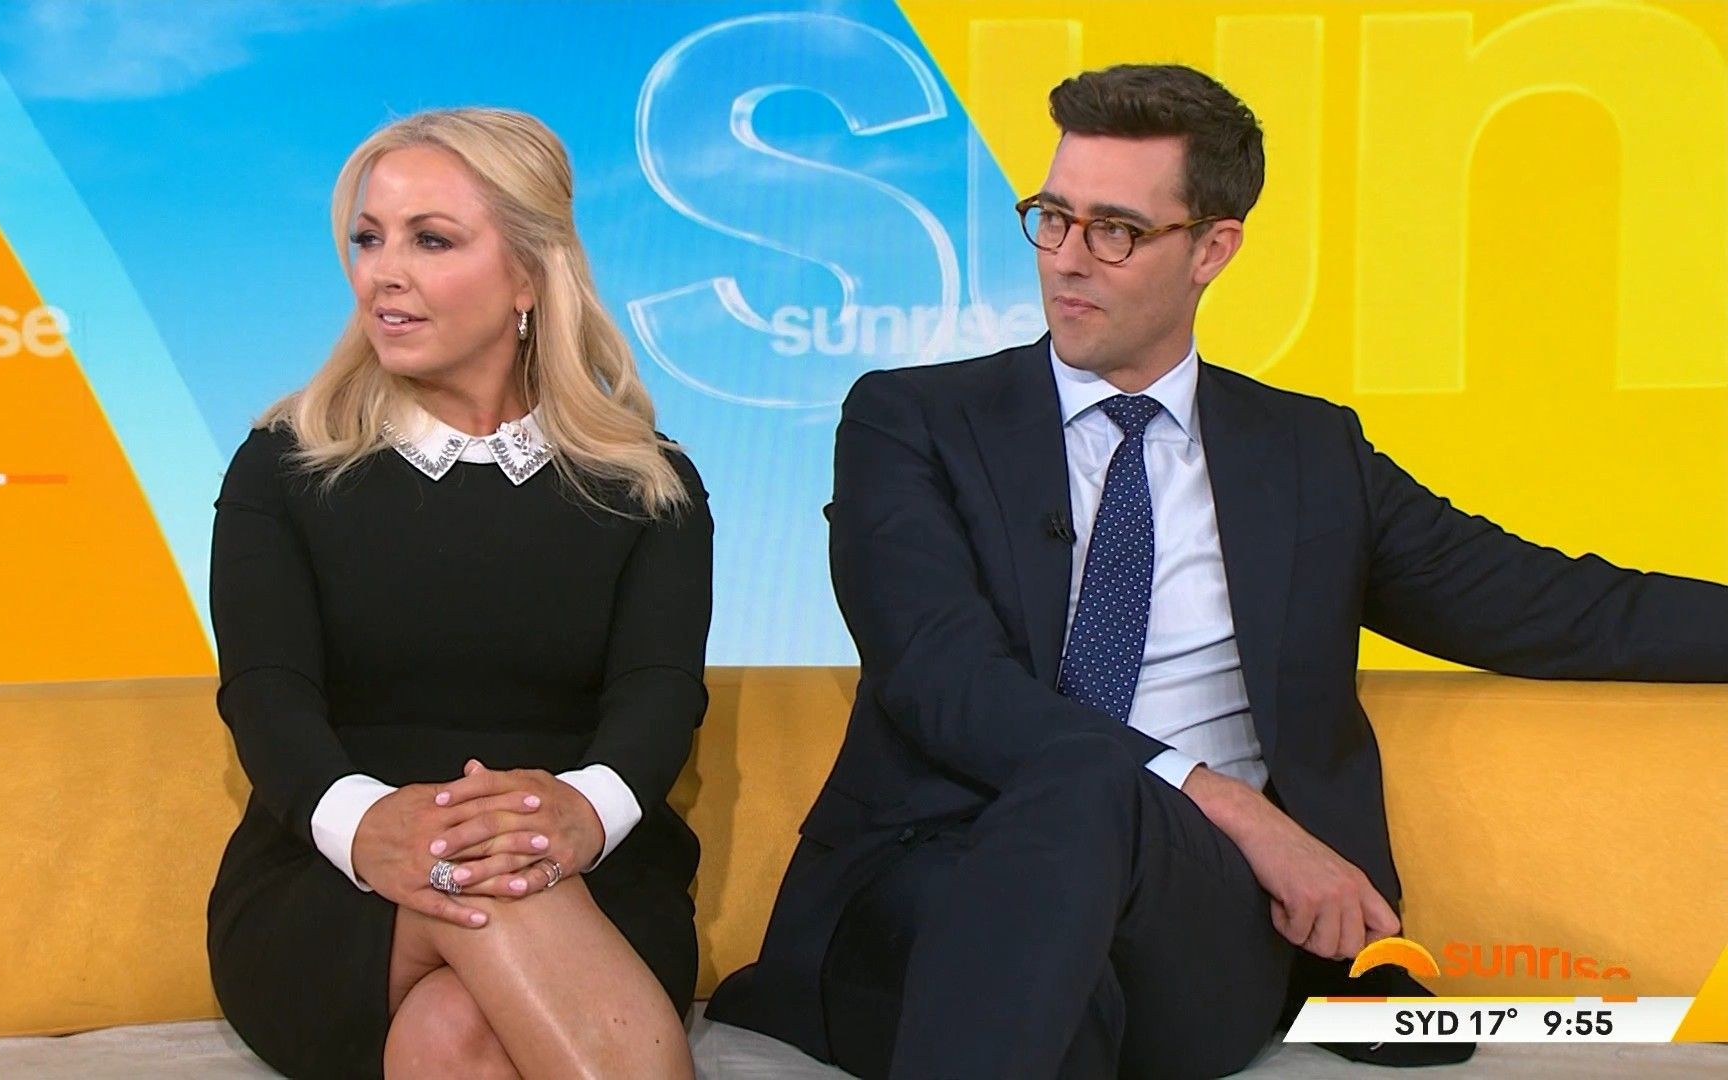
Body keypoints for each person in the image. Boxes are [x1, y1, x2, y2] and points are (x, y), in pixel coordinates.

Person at [705, 64, 1728, 1079]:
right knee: (1065, 937)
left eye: (1116, 230)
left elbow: (1561, 609)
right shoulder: (912, 421)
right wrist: (1233, 805)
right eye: (1052, 218)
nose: (1067, 261)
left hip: (1189, 919)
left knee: (1085, 816)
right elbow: (943, 678)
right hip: (927, 882)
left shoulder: (1309, 458)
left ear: (1213, 248)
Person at [205, 107, 710, 1080]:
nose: (382, 272)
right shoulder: (283, 466)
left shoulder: (649, 483)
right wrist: (368, 826)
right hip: (329, 879)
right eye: (369, 238)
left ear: (529, 274)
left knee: (460, 1028)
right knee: (491, 875)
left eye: (430, 240)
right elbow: (266, 695)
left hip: (590, 865)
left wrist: (579, 813)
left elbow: (658, 694)